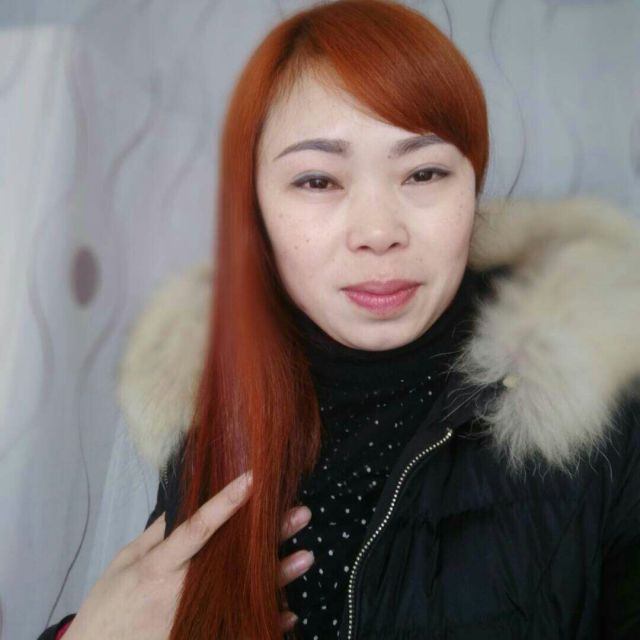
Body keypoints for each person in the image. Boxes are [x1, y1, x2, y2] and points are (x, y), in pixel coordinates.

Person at [39, 0, 640, 639]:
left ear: (473, 186)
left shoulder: (600, 405)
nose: (378, 232)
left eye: (424, 172)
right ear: (256, 208)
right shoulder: (201, 397)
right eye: (318, 181)